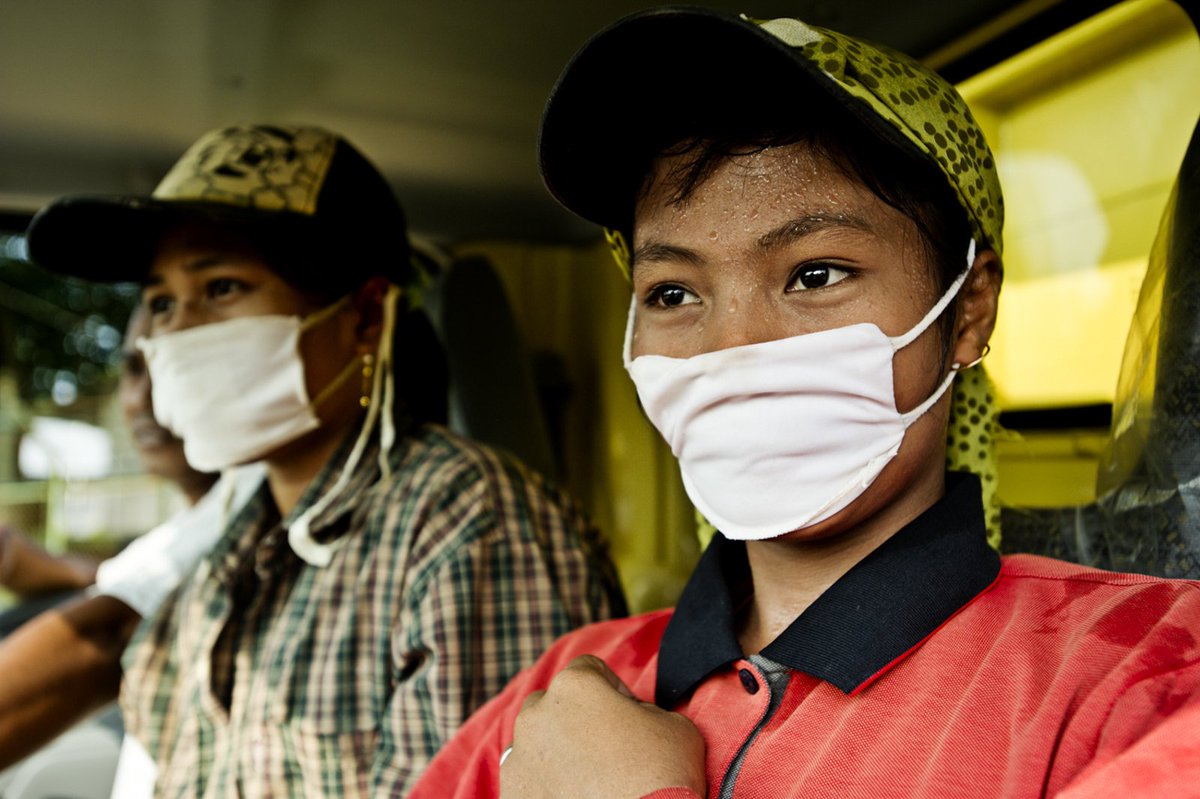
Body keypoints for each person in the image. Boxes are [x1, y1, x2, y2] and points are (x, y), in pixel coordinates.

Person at [410, 8, 1200, 798]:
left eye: (815, 274)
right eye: (674, 291)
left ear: (968, 311)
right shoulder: (563, 693)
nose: (732, 347)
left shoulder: (1144, 674)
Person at [24, 122, 626, 797]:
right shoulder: (232, 546)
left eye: (221, 287)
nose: (176, 332)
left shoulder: (468, 523)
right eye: (160, 302)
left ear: (365, 317)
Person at [0, 306, 261, 770]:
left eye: (180, 363)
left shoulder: (252, 504)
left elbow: (109, 626)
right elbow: (128, 581)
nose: (145, 398)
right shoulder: (197, 519)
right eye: (134, 369)